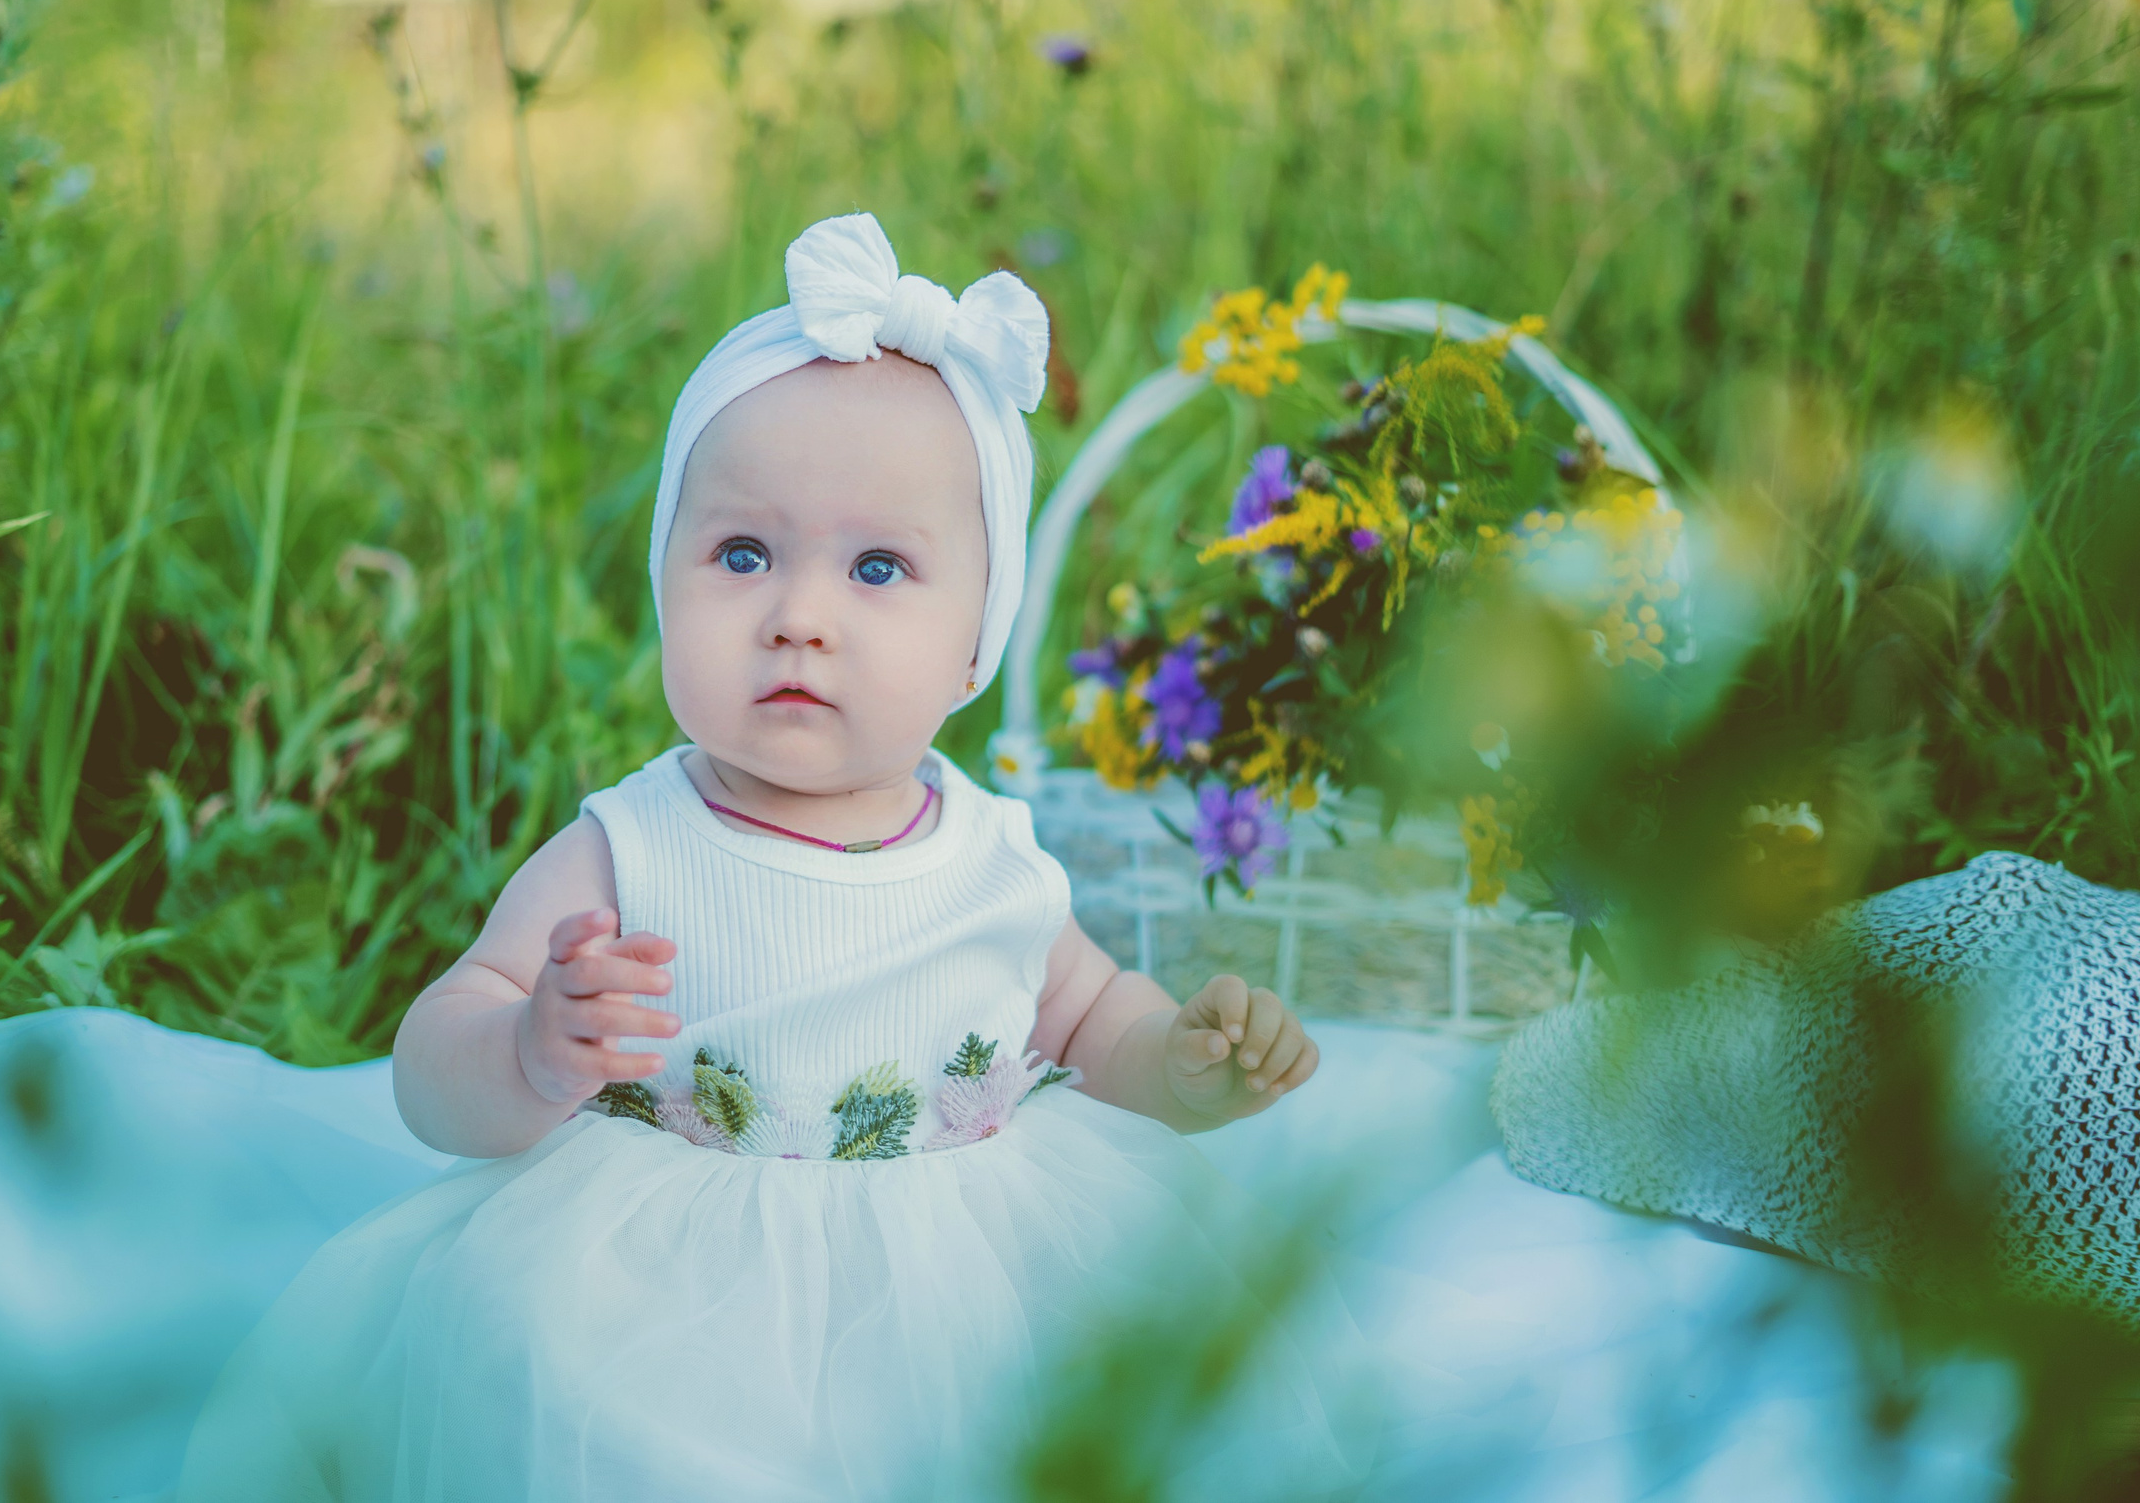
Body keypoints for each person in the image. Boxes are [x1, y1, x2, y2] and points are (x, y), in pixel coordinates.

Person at [172, 212, 1327, 1501]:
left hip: (957, 1286)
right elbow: (432, 1064)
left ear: (975, 646)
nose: (799, 616)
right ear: (665, 584)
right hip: (669, 1297)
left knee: (1091, 1411)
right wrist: (528, 1049)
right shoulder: (630, 848)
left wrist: (1178, 1065)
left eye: (878, 567)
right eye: (741, 554)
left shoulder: (992, 853)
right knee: (548, 1377)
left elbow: (1090, 1015)